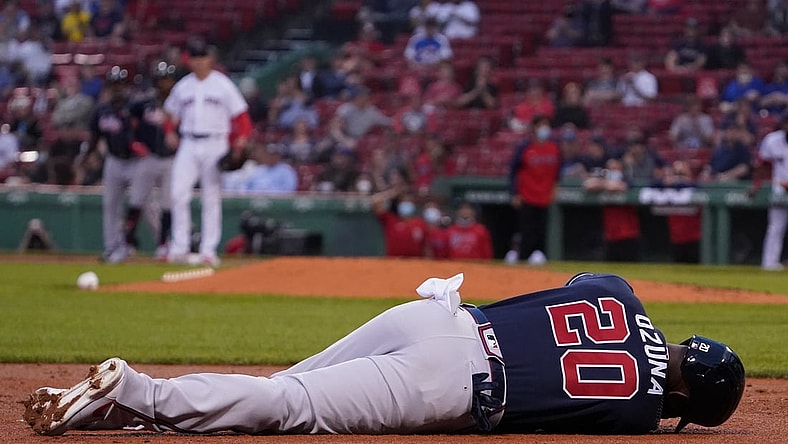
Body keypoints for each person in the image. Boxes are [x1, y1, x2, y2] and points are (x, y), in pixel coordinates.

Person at [23, 272, 745, 436]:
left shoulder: (621, 296)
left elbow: (583, 289)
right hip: (453, 384)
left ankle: (132, 417)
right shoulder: (642, 409)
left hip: (435, 316)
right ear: (683, 402)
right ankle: (141, 393)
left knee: (281, 387)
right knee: (289, 410)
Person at [163, 38, 252, 267]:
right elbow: (169, 114)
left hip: (215, 142)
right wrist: (169, 131)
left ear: (210, 59)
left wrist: (240, 141)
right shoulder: (183, 86)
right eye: (195, 58)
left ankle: (208, 250)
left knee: (211, 198)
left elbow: (242, 118)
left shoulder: (222, 85)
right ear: (190, 60)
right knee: (177, 193)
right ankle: (180, 247)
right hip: (189, 143)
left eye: (203, 57)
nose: (199, 62)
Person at [122, 62, 178, 260]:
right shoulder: (144, 103)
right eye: (162, 80)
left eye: (168, 79)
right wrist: (133, 143)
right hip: (149, 158)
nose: (166, 84)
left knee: (167, 203)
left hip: (171, 160)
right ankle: (127, 243)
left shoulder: (180, 102)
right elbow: (127, 123)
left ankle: (163, 245)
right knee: (137, 200)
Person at [86, 66, 137, 263]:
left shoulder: (135, 107)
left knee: (147, 205)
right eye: (114, 84)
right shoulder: (102, 110)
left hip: (136, 162)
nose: (117, 88)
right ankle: (112, 247)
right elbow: (94, 137)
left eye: (120, 84)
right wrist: (85, 157)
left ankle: (163, 244)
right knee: (111, 206)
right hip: (114, 160)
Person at [508, 115, 561, 265]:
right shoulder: (525, 147)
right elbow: (513, 171)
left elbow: (557, 172)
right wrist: (514, 193)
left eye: (546, 125)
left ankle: (538, 256)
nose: (544, 128)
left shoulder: (554, 147)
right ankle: (523, 257)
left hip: (544, 195)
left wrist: (554, 189)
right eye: (541, 125)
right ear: (534, 128)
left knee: (541, 229)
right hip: (527, 194)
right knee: (527, 230)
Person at [758, 112, 788, 271]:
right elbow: (762, 166)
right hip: (779, 188)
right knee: (776, 226)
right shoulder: (772, 140)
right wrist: (757, 186)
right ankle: (769, 264)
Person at [372, 188, 429, 258]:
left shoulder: (420, 223)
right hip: (393, 263)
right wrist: (391, 193)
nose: (406, 204)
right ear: (399, 204)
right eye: (404, 202)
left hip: (414, 264)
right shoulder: (390, 219)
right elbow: (375, 201)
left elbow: (426, 247)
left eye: (409, 202)